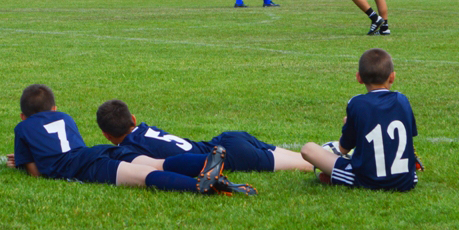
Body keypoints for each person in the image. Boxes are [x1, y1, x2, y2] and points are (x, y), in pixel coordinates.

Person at [7, 84, 255, 196]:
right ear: (54, 108)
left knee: (140, 177)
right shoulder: (64, 116)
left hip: (84, 166)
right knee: (154, 164)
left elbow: (37, 174)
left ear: (22, 115)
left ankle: (201, 187)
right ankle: (206, 161)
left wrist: (23, 160)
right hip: (97, 151)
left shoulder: (22, 128)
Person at [300, 48, 418, 192]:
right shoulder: (402, 99)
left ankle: (334, 176)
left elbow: (344, 148)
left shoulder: (356, 103)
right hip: (407, 180)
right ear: (392, 77)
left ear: (359, 78)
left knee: (308, 149)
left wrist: (350, 127)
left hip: (367, 179)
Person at [94, 99, 312, 173]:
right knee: (304, 157)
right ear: (133, 118)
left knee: (307, 166)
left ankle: (338, 167)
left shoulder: (129, 150)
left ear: (106, 134)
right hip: (228, 138)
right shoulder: (144, 128)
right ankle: (331, 154)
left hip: (227, 154)